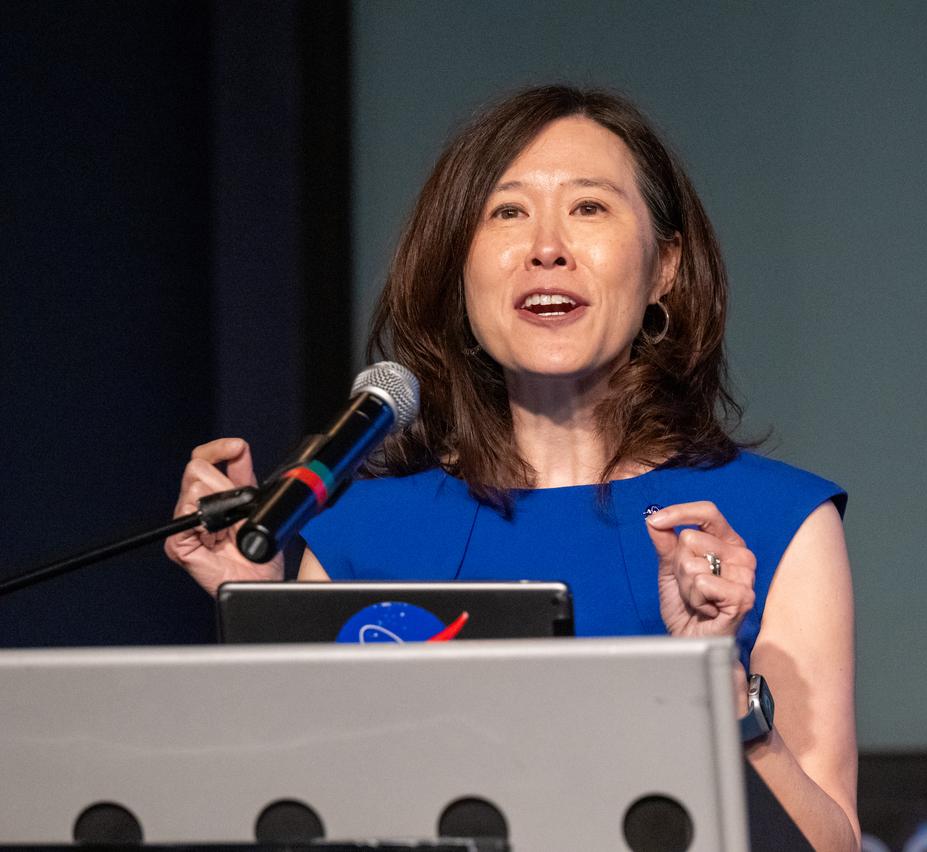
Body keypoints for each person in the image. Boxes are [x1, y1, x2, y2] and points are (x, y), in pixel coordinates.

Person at [165, 85, 859, 850]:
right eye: (507, 212)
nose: (547, 247)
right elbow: (301, 817)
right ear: (459, 271)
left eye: (589, 208)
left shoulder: (773, 523)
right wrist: (266, 613)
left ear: (665, 267)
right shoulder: (359, 533)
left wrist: (719, 686)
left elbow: (828, 842)